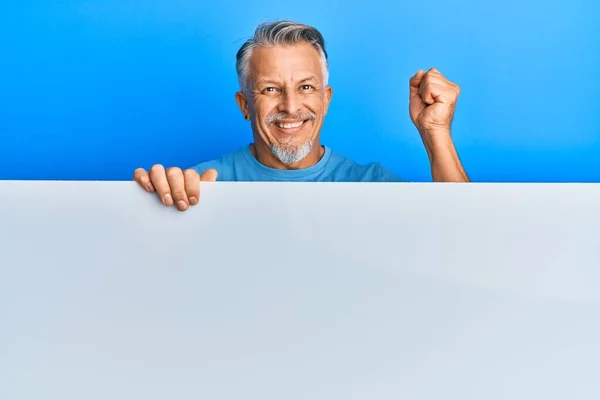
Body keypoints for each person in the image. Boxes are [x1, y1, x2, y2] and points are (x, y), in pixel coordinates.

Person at [133, 20, 470, 211]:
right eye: (270, 89)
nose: (291, 107)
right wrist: (155, 207)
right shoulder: (200, 188)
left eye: (306, 88)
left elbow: (467, 241)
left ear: (326, 99)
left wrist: (435, 131)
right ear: (245, 105)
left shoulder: (373, 186)